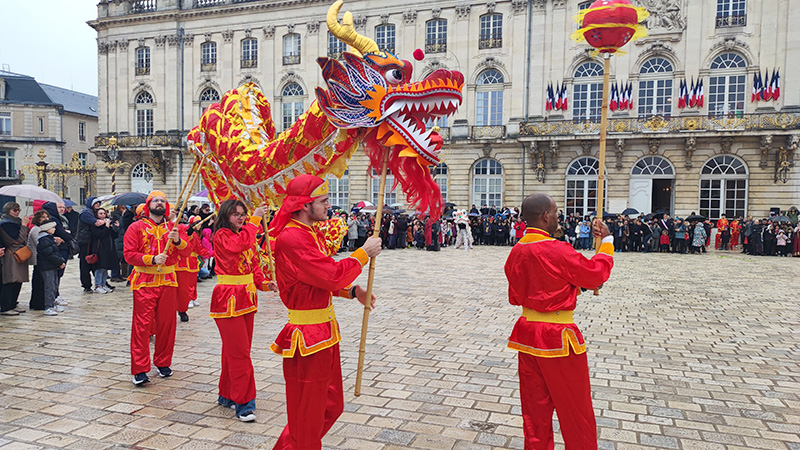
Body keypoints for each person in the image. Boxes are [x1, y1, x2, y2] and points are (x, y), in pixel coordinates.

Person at [269, 175, 380, 450]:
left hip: (323, 335)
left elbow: (317, 281)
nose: (329, 206)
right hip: (307, 339)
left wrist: (352, 291)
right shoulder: (293, 238)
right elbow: (329, 275)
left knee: (330, 406)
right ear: (305, 205)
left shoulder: (308, 233)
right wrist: (362, 254)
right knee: (307, 416)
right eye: (323, 201)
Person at [504, 193, 613, 450]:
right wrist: (606, 241)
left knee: (534, 415)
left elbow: (521, 294)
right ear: (545, 217)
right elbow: (595, 274)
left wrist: (572, 289)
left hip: (527, 335)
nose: (557, 216)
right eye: (555, 212)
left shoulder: (516, 252)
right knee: (576, 412)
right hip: (558, 337)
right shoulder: (558, 249)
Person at [211, 199, 275, 421]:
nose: (240, 218)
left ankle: (227, 394)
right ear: (225, 216)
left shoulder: (245, 235)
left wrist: (265, 284)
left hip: (247, 298)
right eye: (235, 214)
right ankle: (244, 403)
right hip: (228, 299)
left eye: (243, 214)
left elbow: (254, 266)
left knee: (235, 350)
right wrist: (256, 219)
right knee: (240, 353)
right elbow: (240, 246)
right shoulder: (221, 235)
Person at [123, 191, 186, 385]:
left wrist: (177, 240)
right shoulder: (136, 227)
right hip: (144, 281)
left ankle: (163, 362)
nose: (159, 203)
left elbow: (187, 251)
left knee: (167, 325)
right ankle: (140, 368)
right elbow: (128, 254)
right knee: (142, 326)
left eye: (162, 201)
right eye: (155, 200)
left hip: (168, 281)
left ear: (166, 207)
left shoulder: (173, 228)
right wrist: (151, 259)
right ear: (148, 205)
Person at [176, 216, 211, 321]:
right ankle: (186, 301)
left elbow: (199, 248)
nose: (199, 225)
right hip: (180, 262)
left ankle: (189, 301)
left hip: (191, 262)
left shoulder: (194, 235)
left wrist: (210, 253)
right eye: (196, 223)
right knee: (182, 286)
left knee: (191, 283)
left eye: (200, 223)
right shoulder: (181, 229)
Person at [0, 202, 29, 316]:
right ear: (8, 211)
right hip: (12, 254)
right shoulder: (6, 223)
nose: (17, 212)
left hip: (19, 253)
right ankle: (6, 306)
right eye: (14, 210)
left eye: (18, 209)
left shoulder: (15, 222)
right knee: (11, 280)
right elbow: (18, 239)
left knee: (18, 280)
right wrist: (24, 225)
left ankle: (12, 304)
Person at [36, 220, 66, 316]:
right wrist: (59, 262)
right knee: (49, 286)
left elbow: (55, 252)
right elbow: (49, 254)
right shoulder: (43, 239)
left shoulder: (49, 238)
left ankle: (53, 303)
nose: (54, 229)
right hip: (47, 266)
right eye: (53, 227)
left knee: (54, 285)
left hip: (52, 265)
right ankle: (48, 306)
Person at [89, 207, 119, 294]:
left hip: (109, 248)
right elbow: (100, 234)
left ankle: (103, 284)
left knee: (105, 267)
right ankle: (98, 285)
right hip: (99, 248)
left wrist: (115, 228)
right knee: (100, 267)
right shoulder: (95, 224)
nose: (103, 215)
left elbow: (113, 235)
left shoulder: (107, 223)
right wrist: (106, 226)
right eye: (100, 213)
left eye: (104, 213)